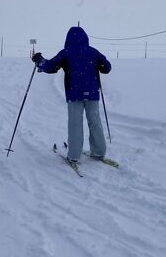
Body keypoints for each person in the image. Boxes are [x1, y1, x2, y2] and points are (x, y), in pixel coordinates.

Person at [32, 27, 112, 163]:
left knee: (75, 123)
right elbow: (107, 68)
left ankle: (74, 155)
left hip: (74, 94)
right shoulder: (93, 52)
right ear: (86, 38)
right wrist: (97, 66)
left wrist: (39, 60)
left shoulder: (66, 53)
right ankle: (98, 152)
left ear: (68, 38)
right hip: (92, 94)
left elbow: (50, 67)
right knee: (95, 122)